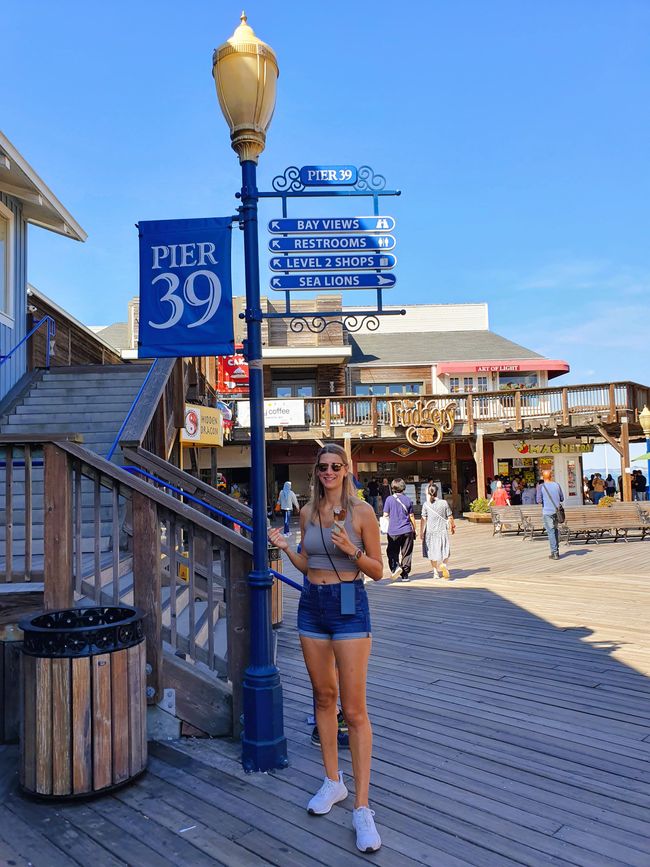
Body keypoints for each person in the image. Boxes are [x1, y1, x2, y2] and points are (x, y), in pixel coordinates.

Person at [268, 444, 383, 853]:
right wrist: (285, 549)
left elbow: (377, 569)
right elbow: (307, 563)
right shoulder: (307, 513)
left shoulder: (362, 512)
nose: (329, 472)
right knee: (323, 698)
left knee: (353, 710)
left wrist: (350, 549)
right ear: (316, 472)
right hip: (312, 606)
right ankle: (333, 782)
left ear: (347, 470)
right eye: (323, 467)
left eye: (336, 466)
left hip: (350, 605)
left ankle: (363, 807)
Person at [382, 478, 416, 581]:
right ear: (403, 487)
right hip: (407, 530)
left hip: (393, 531)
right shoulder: (408, 499)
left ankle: (395, 567)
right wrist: (414, 529)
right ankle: (405, 574)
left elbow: (385, 515)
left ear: (392, 487)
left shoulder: (389, 499)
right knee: (406, 552)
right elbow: (411, 516)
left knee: (392, 551)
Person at [420, 483, 455, 579]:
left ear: (428, 492)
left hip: (430, 531)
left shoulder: (426, 504)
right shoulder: (444, 503)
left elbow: (423, 519)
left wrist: (421, 532)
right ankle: (444, 564)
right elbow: (450, 516)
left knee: (432, 551)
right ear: (437, 492)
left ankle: (435, 572)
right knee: (445, 550)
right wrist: (452, 527)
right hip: (442, 530)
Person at [536, 469, 564, 560]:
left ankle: (555, 553)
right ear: (551, 476)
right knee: (555, 530)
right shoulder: (557, 485)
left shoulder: (541, 487)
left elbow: (539, 501)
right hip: (557, 511)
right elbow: (562, 498)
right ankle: (556, 550)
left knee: (551, 531)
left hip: (547, 512)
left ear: (543, 477)